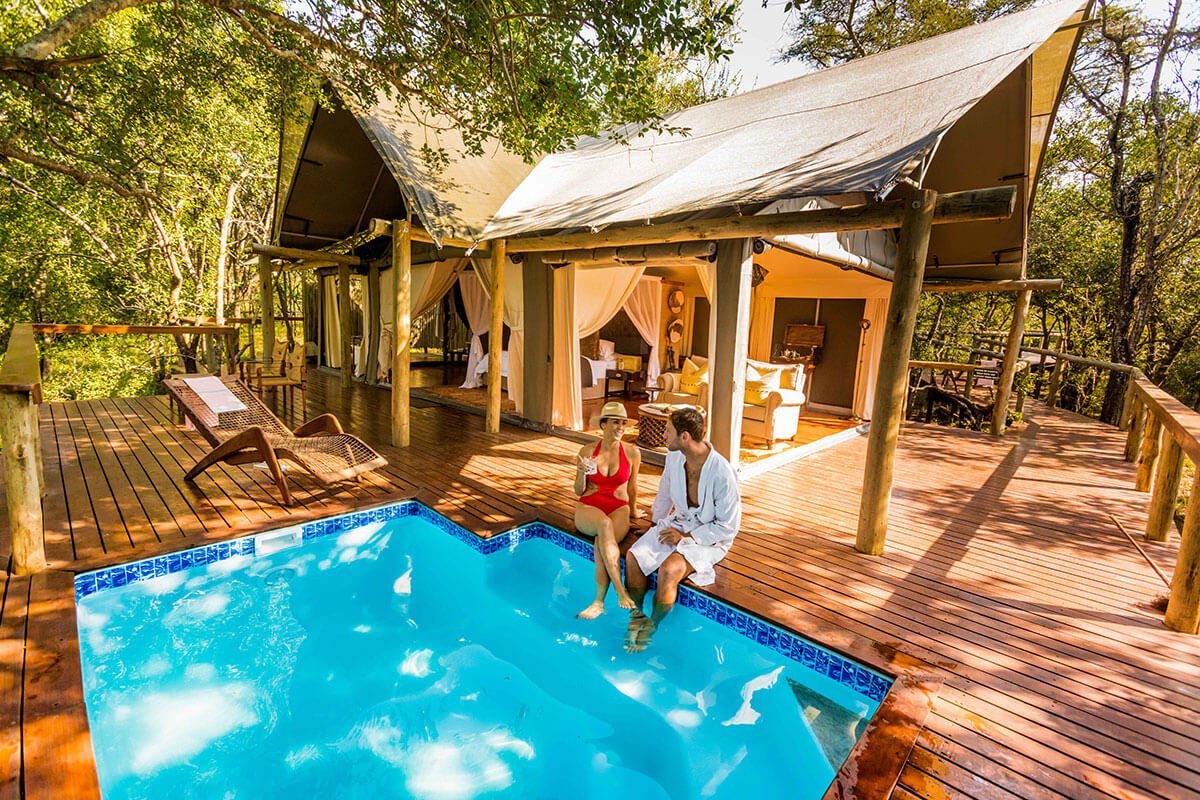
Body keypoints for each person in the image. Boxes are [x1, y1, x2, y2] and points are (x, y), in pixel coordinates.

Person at [624, 407, 740, 652]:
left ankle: (652, 625)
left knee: (669, 570)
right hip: (679, 522)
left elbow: (728, 526)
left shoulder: (722, 473)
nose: (664, 435)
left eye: (668, 431)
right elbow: (665, 493)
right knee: (634, 556)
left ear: (684, 436)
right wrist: (655, 527)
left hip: (710, 536)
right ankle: (636, 614)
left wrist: (688, 537)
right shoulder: (675, 458)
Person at [573, 401, 642, 619]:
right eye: (615, 422)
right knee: (604, 525)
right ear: (603, 425)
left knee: (601, 539)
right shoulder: (586, 451)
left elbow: (633, 486)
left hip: (618, 507)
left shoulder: (632, 452)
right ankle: (620, 591)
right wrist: (582, 472)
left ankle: (598, 602)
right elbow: (578, 490)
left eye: (623, 423)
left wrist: (634, 512)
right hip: (590, 504)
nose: (620, 427)